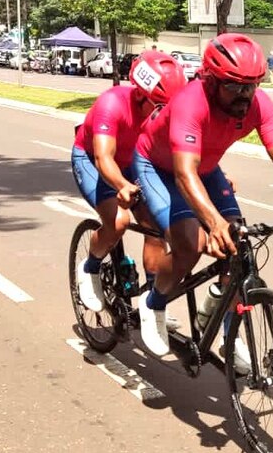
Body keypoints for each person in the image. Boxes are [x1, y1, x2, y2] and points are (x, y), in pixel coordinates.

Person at [132, 33, 273, 363]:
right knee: (190, 243)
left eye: (252, 84)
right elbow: (184, 173)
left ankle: (230, 335)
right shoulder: (191, 101)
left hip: (205, 167)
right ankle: (153, 303)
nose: (246, 94)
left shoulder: (258, 103)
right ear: (211, 79)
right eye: (235, 85)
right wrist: (212, 225)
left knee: (238, 245)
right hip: (159, 166)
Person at [71, 50, 187, 312]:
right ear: (141, 94)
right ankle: (90, 267)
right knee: (119, 221)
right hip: (91, 159)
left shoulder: (163, 113)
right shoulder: (112, 104)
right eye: (159, 106)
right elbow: (103, 158)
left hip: (132, 162)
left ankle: (152, 302)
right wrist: (122, 185)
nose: (165, 115)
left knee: (157, 225)